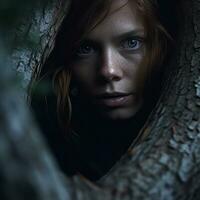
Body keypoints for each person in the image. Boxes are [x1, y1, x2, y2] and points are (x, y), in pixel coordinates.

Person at [30, 0, 177, 181]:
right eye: (86, 48)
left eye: (132, 43)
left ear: (160, 45)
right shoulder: (44, 134)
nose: (108, 71)